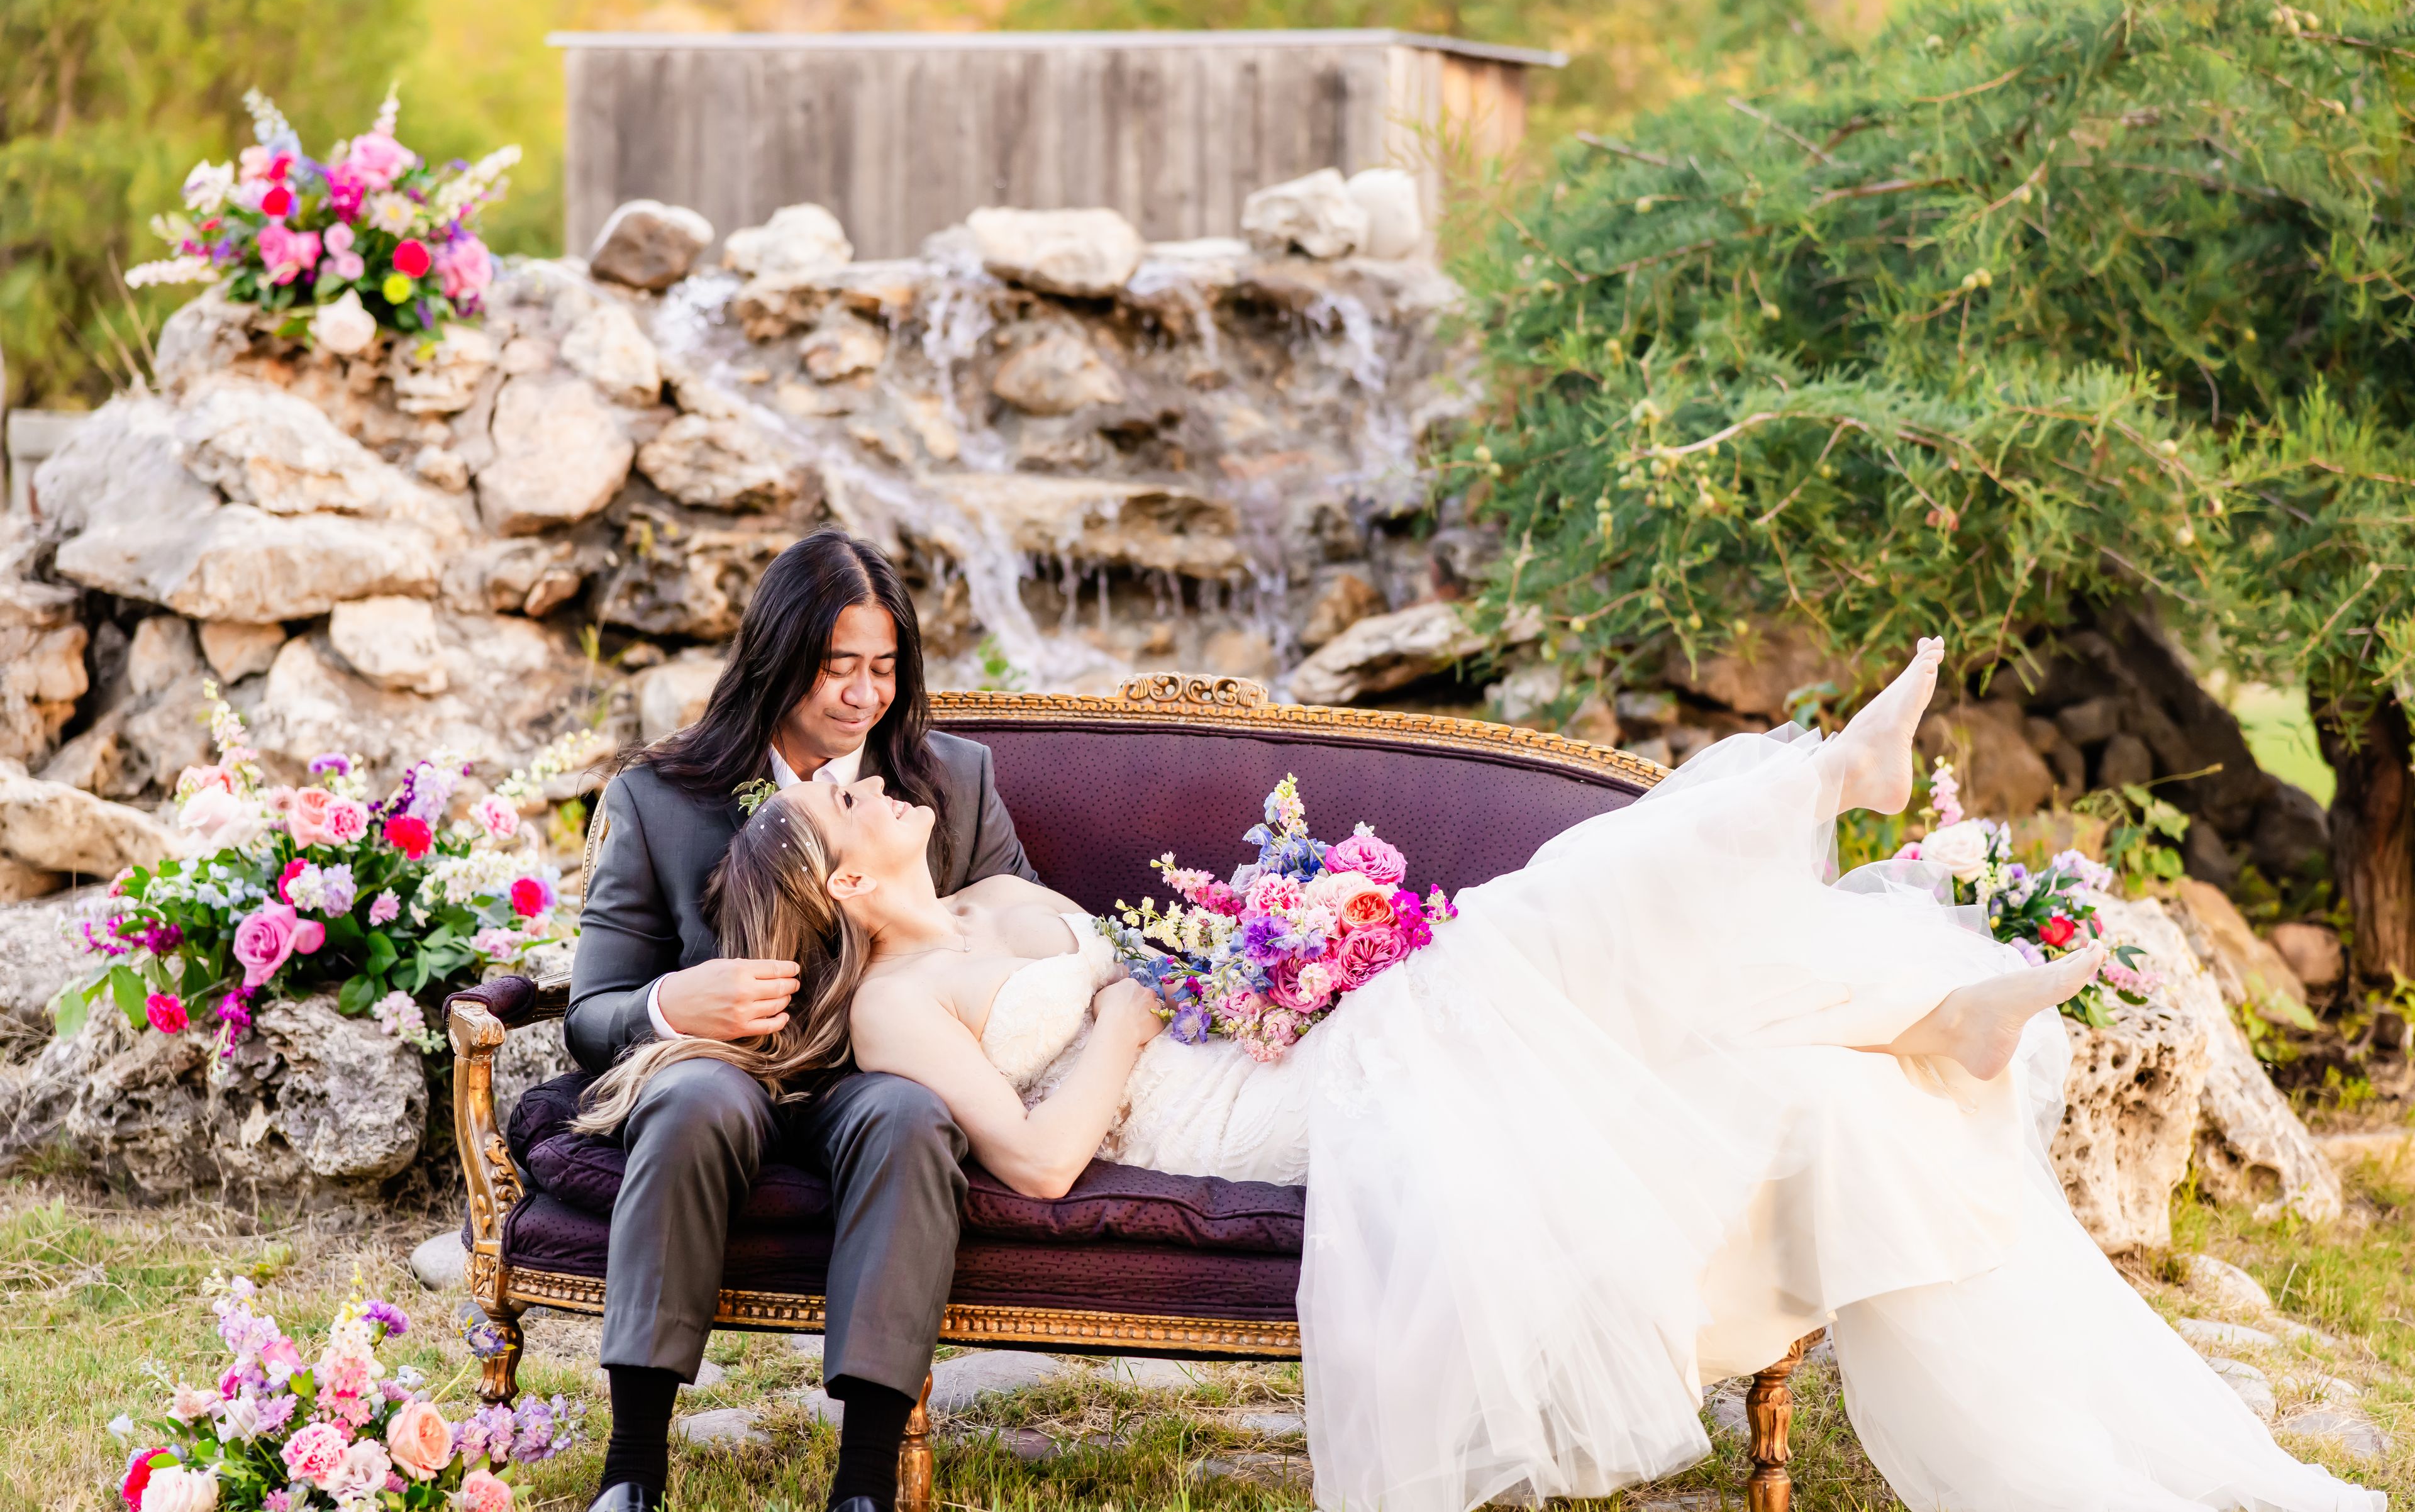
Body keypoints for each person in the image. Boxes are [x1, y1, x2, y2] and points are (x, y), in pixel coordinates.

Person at [572, 639, 2385, 1512]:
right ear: (832, 883)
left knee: (1562, 981)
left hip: (1274, 1056)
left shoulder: (986, 897)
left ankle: (1903, 1018)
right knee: (1527, 939)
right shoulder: (901, 1004)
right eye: (846, 798)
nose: (872, 776)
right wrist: (1133, 1014)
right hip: (1251, 1119)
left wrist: (1247, 964)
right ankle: (1818, 795)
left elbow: (1152, 967)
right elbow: (1042, 1165)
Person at [565, 528, 1038, 1512]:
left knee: (911, 1114)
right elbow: (591, 1012)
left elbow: (1020, 937)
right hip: (725, 1067)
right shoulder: (659, 795)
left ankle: (863, 1485)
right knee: (690, 1098)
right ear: (778, 657)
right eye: (837, 667)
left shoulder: (951, 784)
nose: (864, 695)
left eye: (884, 667)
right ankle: (633, 1469)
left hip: (879, 1073)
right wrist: (670, 1002)